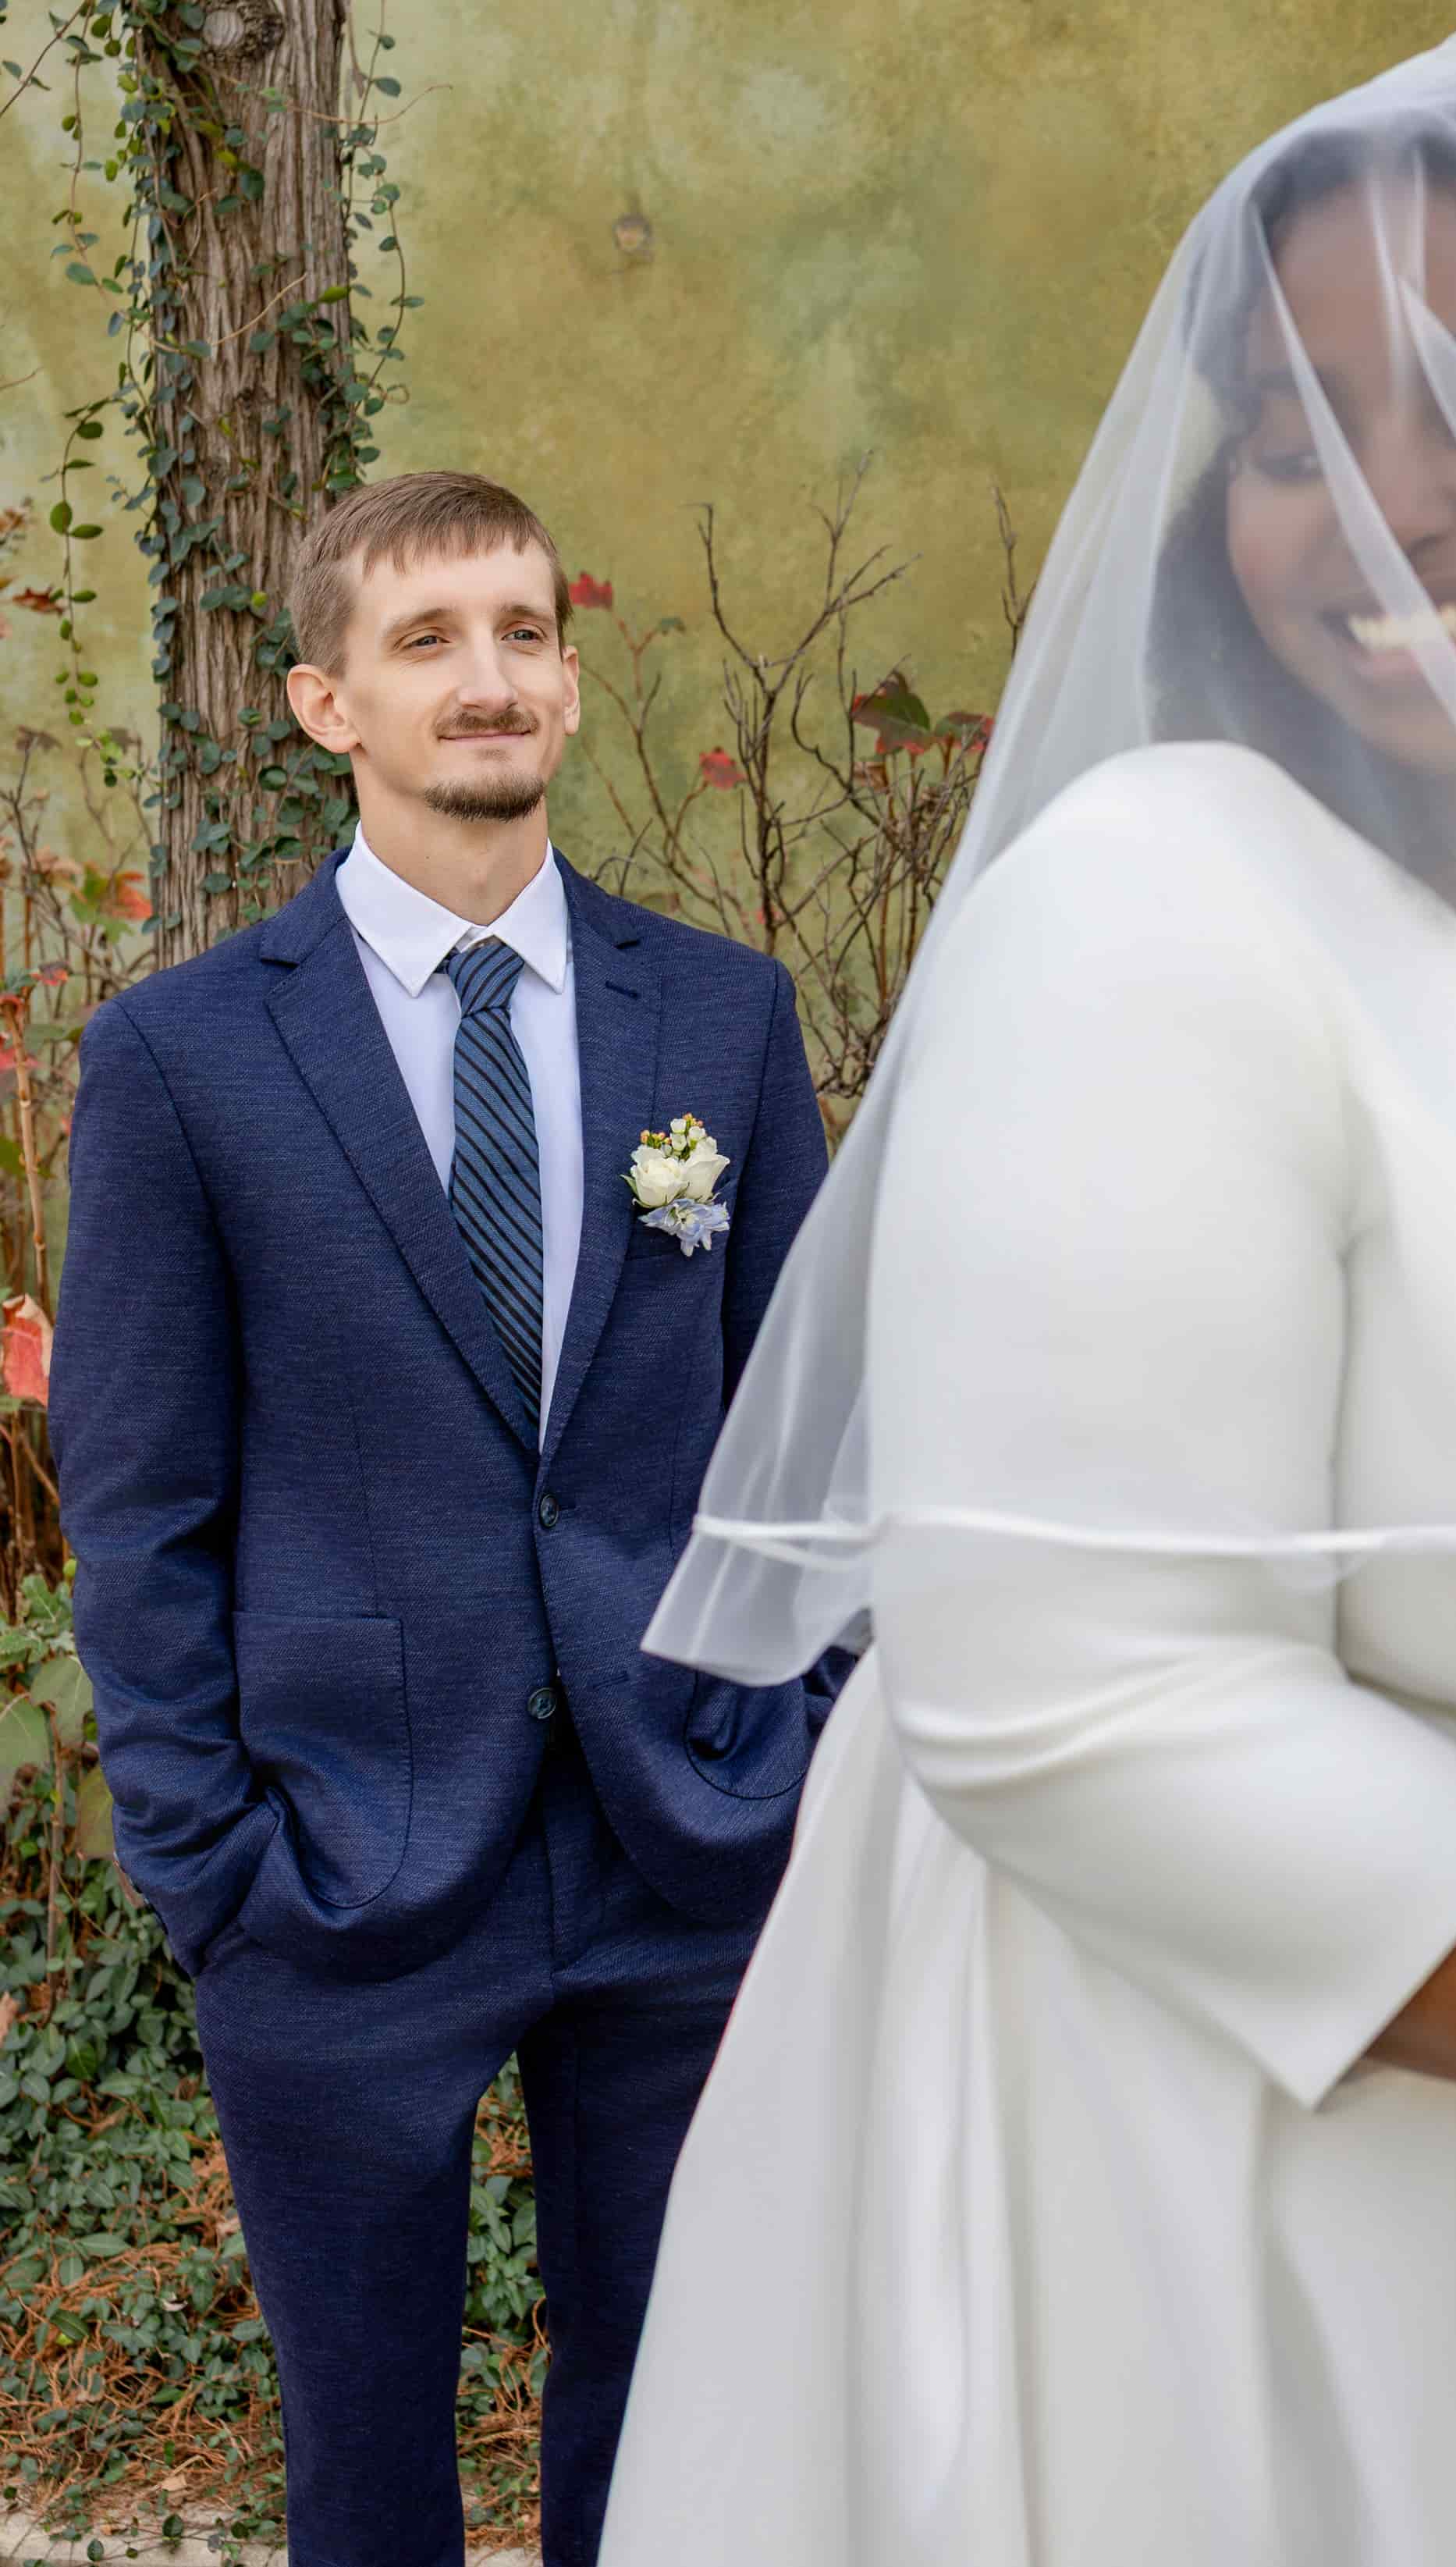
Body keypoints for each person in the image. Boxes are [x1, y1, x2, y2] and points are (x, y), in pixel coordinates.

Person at [598, 18, 1456, 2564]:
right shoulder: (1160, 914)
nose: (1376, 506)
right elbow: (1085, 1712)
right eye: (1296, 425)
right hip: (1314, 2256)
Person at [48, 470, 842, 2567]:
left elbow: (813, 1430)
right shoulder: (187, 1060)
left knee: (682, 2453)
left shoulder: (720, 1022)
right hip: (336, 1870)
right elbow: (138, 1509)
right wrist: (213, 1865)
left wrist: (804, 1741)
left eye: (518, 631)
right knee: (372, 2482)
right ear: (326, 704)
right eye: (424, 641)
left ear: (569, 687)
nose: (483, 678)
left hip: (689, 1840)